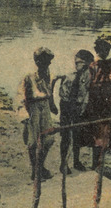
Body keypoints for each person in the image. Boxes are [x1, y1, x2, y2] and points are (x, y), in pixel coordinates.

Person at [83, 32, 111, 170]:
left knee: (106, 133)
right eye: (102, 49)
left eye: (108, 49)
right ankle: (96, 163)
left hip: (108, 104)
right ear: (97, 49)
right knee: (96, 133)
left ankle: (100, 162)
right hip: (95, 104)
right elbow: (86, 86)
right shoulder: (91, 66)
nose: (105, 52)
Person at [20, 47, 57, 181]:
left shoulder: (48, 74)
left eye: (49, 61)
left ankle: (40, 166)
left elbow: (50, 91)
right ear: (37, 61)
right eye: (45, 61)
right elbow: (22, 97)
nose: (48, 64)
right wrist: (24, 116)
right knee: (33, 141)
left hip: (45, 106)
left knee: (48, 139)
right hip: (33, 107)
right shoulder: (29, 76)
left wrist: (52, 105)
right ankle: (35, 171)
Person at [57, 49, 93, 173]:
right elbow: (54, 79)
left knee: (77, 134)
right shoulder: (68, 73)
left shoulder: (88, 75)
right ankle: (63, 164)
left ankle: (76, 161)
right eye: (77, 62)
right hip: (66, 104)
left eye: (82, 62)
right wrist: (51, 101)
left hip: (78, 105)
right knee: (65, 135)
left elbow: (87, 92)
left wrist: (84, 106)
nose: (79, 65)